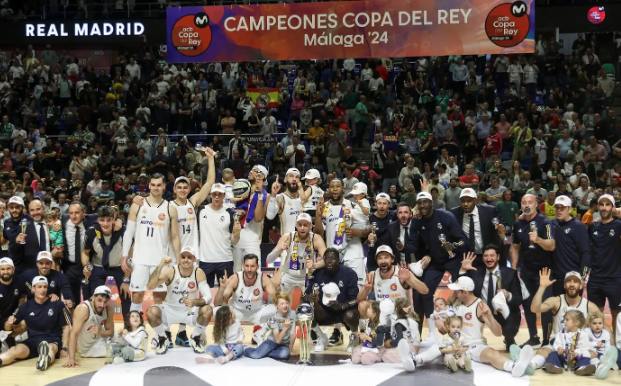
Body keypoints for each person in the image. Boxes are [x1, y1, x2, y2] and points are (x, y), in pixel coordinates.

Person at [397, 276, 535, 377]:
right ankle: (413, 361)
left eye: (457, 291)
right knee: (437, 347)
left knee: (492, 354)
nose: (454, 293)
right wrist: (439, 323)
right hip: (455, 344)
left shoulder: (480, 305)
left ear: (465, 292)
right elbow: (446, 330)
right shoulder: (456, 304)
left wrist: (489, 317)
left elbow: (498, 333)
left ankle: (514, 367)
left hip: (474, 346)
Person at [121, 173, 181, 345]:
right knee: (137, 296)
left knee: (159, 298)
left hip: (160, 261)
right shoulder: (138, 205)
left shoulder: (170, 208)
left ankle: (163, 334)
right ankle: (135, 333)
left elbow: (175, 237)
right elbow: (129, 233)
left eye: (159, 185)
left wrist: (177, 261)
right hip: (140, 259)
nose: (156, 187)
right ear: (149, 186)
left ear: (164, 187)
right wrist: (125, 255)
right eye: (153, 184)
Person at [410, 191, 468, 325]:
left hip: (453, 260)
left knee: (462, 290)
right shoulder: (417, 222)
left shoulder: (446, 216)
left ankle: (461, 328)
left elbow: (463, 240)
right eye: (420, 203)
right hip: (435, 262)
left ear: (432, 203)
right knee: (425, 291)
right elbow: (416, 246)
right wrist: (427, 255)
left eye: (425, 202)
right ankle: (431, 330)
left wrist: (452, 246)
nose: (423, 205)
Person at [527, 268, 600, 373]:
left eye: (575, 281)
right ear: (564, 285)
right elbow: (534, 309)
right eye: (569, 281)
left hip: (579, 344)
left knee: (592, 353)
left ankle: (597, 368)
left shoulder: (590, 306)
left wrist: (609, 346)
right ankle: (530, 366)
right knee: (543, 351)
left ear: (580, 286)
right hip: (559, 343)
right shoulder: (556, 301)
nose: (572, 284)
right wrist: (542, 287)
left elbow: (604, 327)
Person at [146, 248, 214, 354]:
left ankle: (195, 337)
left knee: (208, 310)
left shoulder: (198, 272)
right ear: (179, 258)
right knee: (151, 312)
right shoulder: (171, 271)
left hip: (189, 312)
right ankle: (163, 338)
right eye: (183, 257)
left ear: (194, 259)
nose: (186, 260)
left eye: (189, 257)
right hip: (170, 310)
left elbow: (208, 297)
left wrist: (194, 302)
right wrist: (160, 265)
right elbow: (150, 286)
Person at [511, 193, 555, 346]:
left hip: (544, 272)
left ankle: (547, 340)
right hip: (526, 271)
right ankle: (534, 337)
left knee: (545, 307)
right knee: (528, 304)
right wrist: (514, 268)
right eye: (523, 202)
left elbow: (552, 245)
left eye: (530, 202)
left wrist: (538, 240)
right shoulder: (518, 224)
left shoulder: (545, 222)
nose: (526, 205)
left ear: (536, 204)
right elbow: (515, 247)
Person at [459, 245, 523, 351]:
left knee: (513, 316)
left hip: (501, 312)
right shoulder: (475, 272)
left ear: (498, 257)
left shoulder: (510, 273)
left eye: (492, 256)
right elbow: (460, 287)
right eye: (486, 256)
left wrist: (508, 295)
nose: (489, 259)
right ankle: (472, 341)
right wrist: (462, 270)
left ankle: (509, 339)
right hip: (481, 312)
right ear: (482, 258)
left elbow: (518, 299)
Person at [0, 276, 69, 371]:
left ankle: (44, 360)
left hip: (52, 340)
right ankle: (1, 360)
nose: (43, 290)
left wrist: (65, 348)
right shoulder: (25, 306)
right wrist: (9, 322)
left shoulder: (57, 304)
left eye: (45, 287)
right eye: (39, 287)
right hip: (32, 342)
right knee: (15, 350)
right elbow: (9, 327)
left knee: (50, 349)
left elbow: (66, 327)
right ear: (33, 288)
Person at [304, 248, 360, 352]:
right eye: (327, 258)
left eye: (333, 258)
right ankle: (321, 337)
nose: (329, 261)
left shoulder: (349, 273)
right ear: (323, 260)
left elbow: (356, 300)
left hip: (344, 311)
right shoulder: (317, 274)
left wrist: (342, 306)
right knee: (305, 310)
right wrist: (310, 298)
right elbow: (305, 295)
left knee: (351, 315)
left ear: (338, 260)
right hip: (325, 312)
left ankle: (354, 338)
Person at [315, 179, 369, 286]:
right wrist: (318, 215)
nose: (335, 189)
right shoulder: (324, 207)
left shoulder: (353, 205)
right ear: (328, 189)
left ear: (343, 189)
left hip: (353, 252)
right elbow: (318, 233)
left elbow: (367, 229)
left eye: (338, 186)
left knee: (358, 285)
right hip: (333, 253)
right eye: (332, 186)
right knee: (334, 288)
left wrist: (356, 232)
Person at [81, 206, 129, 321]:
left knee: (127, 296)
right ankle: (95, 325)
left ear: (114, 219)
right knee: (95, 298)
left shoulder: (123, 231)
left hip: (119, 267)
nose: (106, 223)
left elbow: (130, 256)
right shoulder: (92, 232)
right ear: (98, 220)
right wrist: (86, 266)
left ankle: (129, 328)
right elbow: (85, 252)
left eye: (109, 220)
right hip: (98, 266)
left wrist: (126, 279)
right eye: (102, 220)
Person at [169, 146, 216, 253]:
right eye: (179, 187)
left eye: (185, 187)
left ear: (189, 189)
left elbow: (209, 183)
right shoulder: (168, 206)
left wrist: (210, 158)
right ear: (174, 190)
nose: (182, 190)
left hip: (192, 253)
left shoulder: (192, 202)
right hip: (173, 253)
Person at [357, 245, 428, 313]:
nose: (383, 261)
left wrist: (409, 279)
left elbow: (425, 290)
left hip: (402, 315)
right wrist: (365, 289)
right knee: (362, 305)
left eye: (386, 257)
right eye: (380, 258)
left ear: (392, 259)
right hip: (383, 316)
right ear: (376, 261)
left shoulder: (402, 272)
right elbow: (359, 300)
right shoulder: (373, 275)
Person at [268, 213, 327, 292]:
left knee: (307, 302)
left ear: (310, 226)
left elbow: (326, 259)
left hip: (306, 278)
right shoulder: (288, 236)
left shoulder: (316, 238)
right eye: (300, 225)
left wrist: (315, 265)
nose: (302, 228)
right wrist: (279, 249)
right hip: (288, 277)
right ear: (296, 225)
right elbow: (269, 259)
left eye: (305, 225)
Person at [588, 194, 621, 333]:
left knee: (617, 315)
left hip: (615, 278)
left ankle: (617, 343)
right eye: (601, 204)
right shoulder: (593, 226)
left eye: (608, 204)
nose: (604, 207)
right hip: (595, 278)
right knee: (596, 316)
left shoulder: (619, 225)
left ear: (613, 207)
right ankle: (599, 344)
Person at [197, 183, 241, 288]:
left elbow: (234, 241)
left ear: (224, 195)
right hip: (206, 260)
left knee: (227, 294)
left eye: (220, 194)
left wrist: (237, 233)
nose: (217, 197)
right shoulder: (201, 210)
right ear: (210, 195)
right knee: (206, 296)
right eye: (214, 194)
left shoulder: (229, 213)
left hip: (225, 259)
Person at [450, 188, 506, 268]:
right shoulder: (454, 213)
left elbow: (500, 226)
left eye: (469, 200)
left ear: (476, 201)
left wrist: (501, 230)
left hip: (485, 255)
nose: (465, 204)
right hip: (465, 257)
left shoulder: (489, 211)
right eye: (463, 201)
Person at [214, 254, 276, 326]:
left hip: (257, 313)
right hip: (237, 313)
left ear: (257, 266)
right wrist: (222, 288)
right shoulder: (235, 278)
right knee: (215, 311)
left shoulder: (264, 279)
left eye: (252, 266)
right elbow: (217, 304)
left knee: (276, 309)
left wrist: (276, 288)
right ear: (243, 266)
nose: (249, 269)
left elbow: (276, 298)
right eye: (247, 266)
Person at [64, 285, 114, 367]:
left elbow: (111, 333)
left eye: (105, 302)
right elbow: (73, 333)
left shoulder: (109, 308)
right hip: (88, 349)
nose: (102, 305)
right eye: (99, 300)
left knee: (125, 340)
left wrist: (100, 332)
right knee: (121, 350)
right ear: (93, 297)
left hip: (101, 340)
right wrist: (71, 358)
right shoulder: (83, 309)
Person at [550, 195, 590, 295]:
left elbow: (586, 253)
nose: (559, 210)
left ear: (570, 209)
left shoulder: (578, 226)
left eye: (562, 208)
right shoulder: (552, 224)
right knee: (557, 308)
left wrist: (582, 276)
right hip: (556, 278)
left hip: (573, 276)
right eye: (557, 207)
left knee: (573, 309)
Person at [61, 201, 97, 310]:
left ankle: (89, 320)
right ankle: (74, 322)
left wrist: (118, 220)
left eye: (77, 212)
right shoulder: (63, 221)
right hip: (69, 267)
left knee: (89, 297)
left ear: (83, 213)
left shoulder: (91, 221)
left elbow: (108, 214)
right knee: (71, 299)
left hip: (86, 265)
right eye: (71, 213)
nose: (73, 216)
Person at [232, 165, 268, 272]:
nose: (252, 172)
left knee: (254, 274)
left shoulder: (265, 195)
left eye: (256, 171)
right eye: (252, 169)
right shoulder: (239, 189)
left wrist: (259, 194)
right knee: (237, 274)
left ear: (262, 177)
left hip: (252, 239)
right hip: (236, 236)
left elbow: (258, 218)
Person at [244, 292, 297, 360]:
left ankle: (265, 352)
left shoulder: (292, 313)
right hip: (272, 342)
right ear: (277, 306)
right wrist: (285, 328)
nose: (285, 306)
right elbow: (277, 340)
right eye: (282, 304)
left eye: (286, 303)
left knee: (285, 355)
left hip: (284, 344)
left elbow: (293, 333)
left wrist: (290, 349)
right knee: (256, 355)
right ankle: (245, 348)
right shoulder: (273, 318)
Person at [543, 310, 595, 375]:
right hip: (563, 357)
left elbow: (584, 348)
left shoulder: (583, 334)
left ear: (576, 322)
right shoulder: (561, 333)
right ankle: (554, 366)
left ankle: (582, 368)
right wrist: (558, 348)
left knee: (585, 357)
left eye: (567, 320)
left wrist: (577, 353)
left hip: (576, 358)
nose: (564, 321)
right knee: (553, 354)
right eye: (564, 319)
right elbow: (556, 343)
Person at [4, 196, 38, 273]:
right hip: (13, 262)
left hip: (29, 263)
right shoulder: (6, 222)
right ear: (8, 208)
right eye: (11, 207)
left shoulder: (31, 220)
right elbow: (6, 238)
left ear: (22, 208)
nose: (14, 210)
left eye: (17, 207)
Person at [266, 167, 303, 236]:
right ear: (285, 179)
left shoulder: (303, 198)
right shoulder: (280, 198)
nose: (294, 179)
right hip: (286, 243)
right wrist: (273, 195)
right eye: (291, 176)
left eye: (297, 177)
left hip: (304, 244)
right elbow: (270, 216)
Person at [366, 192, 393, 271]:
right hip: (374, 256)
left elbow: (410, 212)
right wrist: (368, 239)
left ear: (389, 205)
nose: (382, 206)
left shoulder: (393, 215)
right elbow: (364, 239)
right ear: (375, 204)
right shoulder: (369, 218)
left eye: (384, 203)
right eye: (379, 203)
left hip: (390, 256)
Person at [0, 258, 23, 350]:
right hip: (1, 318)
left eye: (8, 269)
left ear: (13, 270)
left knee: (26, 322)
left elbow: (23, 300)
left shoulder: (19, 282)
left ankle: (8, 339)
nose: (5, 271)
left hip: (12, 317)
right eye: (2, 269)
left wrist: (14, 315)